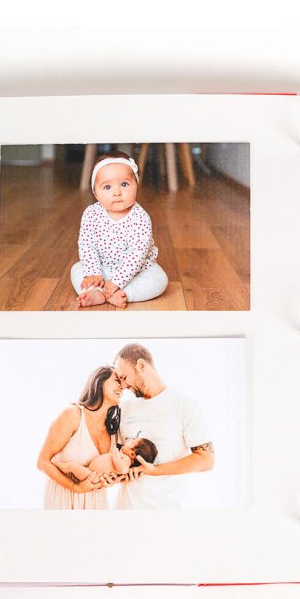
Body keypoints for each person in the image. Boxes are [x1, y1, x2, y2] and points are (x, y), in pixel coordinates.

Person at [112, 342, 214, 510]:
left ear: (141, 365)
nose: (123, 385)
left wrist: (154, 470)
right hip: (124, 510)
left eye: (124, 377)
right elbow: (117, 457)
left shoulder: (184, 404)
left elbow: (206, 460)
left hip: (165, 512)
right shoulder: (125, 408)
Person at [72, 151, 168, 309]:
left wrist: (117, 281)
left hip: (137, 272)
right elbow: (87, 245)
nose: (117, 192)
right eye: (107, 187)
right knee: (77, 269)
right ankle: (96, 291)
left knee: (159, 280)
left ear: (136, 185)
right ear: (95, 193)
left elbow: (136, 255)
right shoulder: (91, 214)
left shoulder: (140, 218)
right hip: (102, 268)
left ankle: (124, 293)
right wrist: (94, 272)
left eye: (124, 184)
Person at [37, 365, 124, 510]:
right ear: (99, 381)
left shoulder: (114, 430)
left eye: (123, 384)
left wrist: (111, 480)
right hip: (64, 499)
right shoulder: (73, 415)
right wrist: (74, 487)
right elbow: (42, 462)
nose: (123, 387)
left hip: (96, 502)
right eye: (117, 381)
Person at [52, 436, 158, 479]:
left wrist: (115, 456)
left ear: (132, 454)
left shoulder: (125, 460)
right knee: (75, 466)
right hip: (90, 473)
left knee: (72, 466)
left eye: (133, 441)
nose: (129, 440)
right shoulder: (122, 455)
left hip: (92, 477)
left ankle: (59, 464)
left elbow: (123, 470)